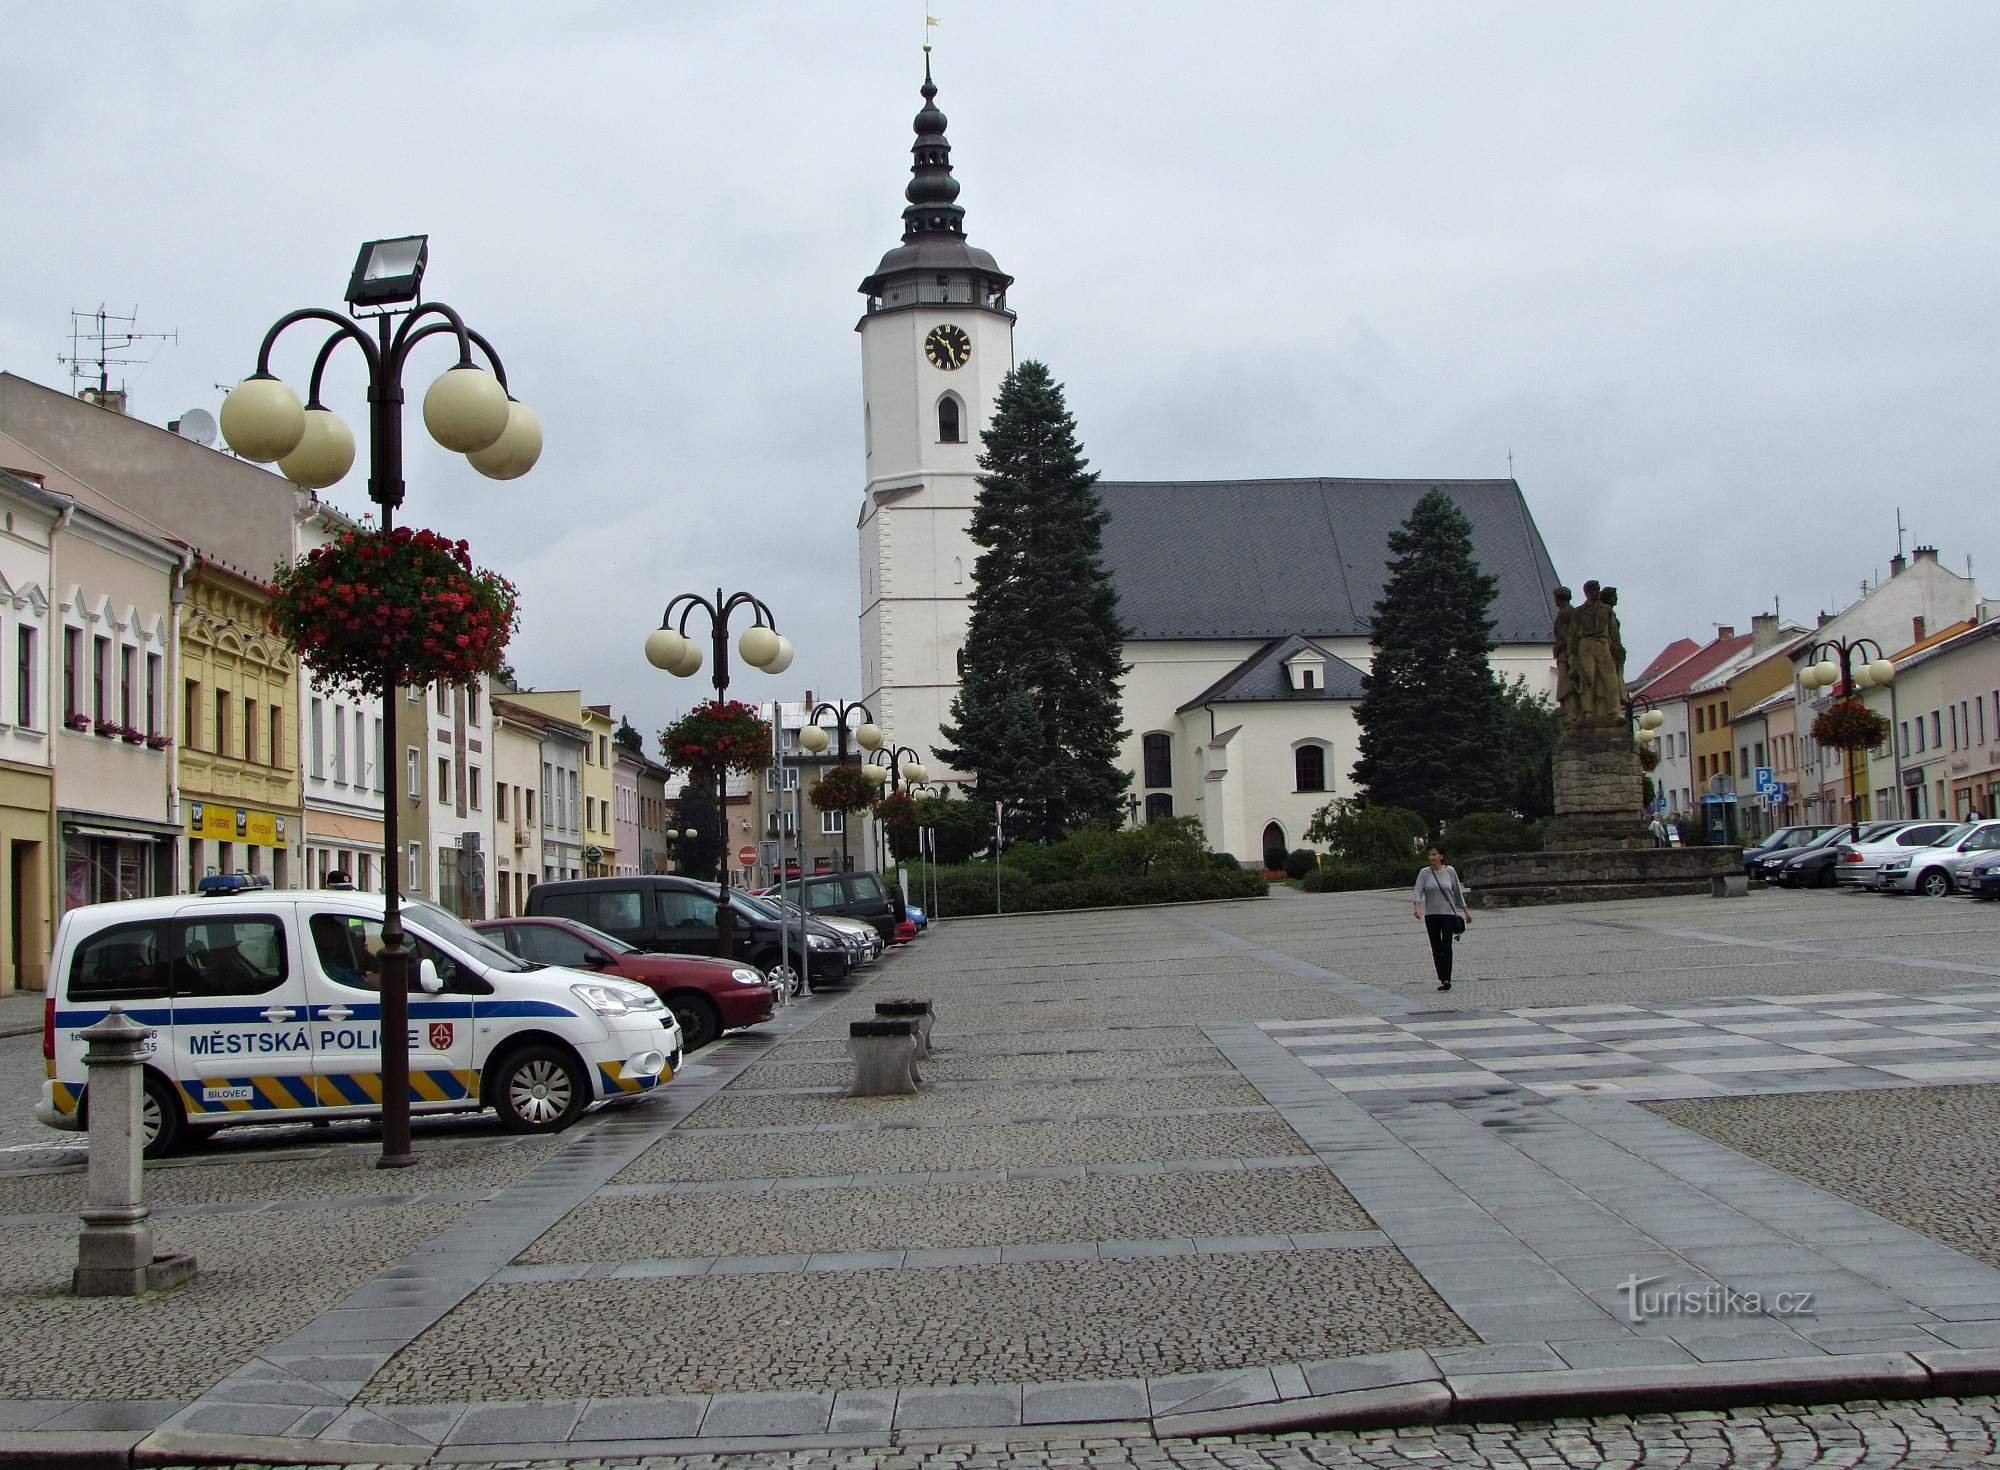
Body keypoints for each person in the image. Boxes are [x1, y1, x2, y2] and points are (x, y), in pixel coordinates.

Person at [1411, 843, 1470, 992]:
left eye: (1434, 854)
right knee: (1436, 947)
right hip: (1431, 915)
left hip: (1448, 915)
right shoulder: (1424, 873)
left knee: (1447, 946)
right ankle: (1441, 977)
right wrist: (1417, 907)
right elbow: (1418, 890)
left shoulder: (1450, 871)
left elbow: (1457, 892)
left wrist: (1465, 911)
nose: (1431, 857)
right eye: (1430, 854)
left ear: (1441, 856)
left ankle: (1447, 978)